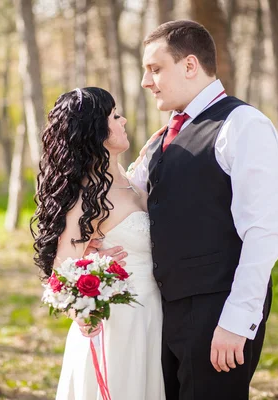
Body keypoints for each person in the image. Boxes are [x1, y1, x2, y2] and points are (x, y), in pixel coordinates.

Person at [88, 20, 278, 399]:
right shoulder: (162, 137)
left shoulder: (243, 124)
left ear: (190, 65)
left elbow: (263, 232)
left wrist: (237, 321)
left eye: (155, 68)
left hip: (218, 311)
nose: (147, 82)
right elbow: (131, 206)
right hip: (163, 314)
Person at [31, 87, 166, 400]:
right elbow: (61, 274)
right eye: (115, 116)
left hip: (152, 315)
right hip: (119, 325)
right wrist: (91, 278)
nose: (125, 120)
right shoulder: (86, 200)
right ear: (96, 131)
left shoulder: (124, 176)